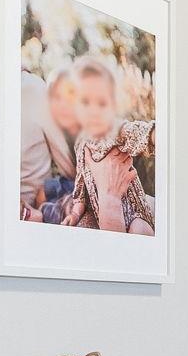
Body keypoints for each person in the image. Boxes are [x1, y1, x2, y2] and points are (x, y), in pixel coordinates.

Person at [58, 55, 156, 235]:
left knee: (139, 230)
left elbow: (133, 133)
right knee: (81, 228)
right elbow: (80, 184)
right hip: (101, 212)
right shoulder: (80, 142)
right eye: (85, 102)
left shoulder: (114, 130)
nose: (94, 111)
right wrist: (75, 212)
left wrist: (153, 135)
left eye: (101, 103)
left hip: (134, 213)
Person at [18, 66, 81, 222]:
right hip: (39, 205)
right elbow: (68, 163)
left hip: (38, 204)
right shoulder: (32, 87)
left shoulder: (31, 88)